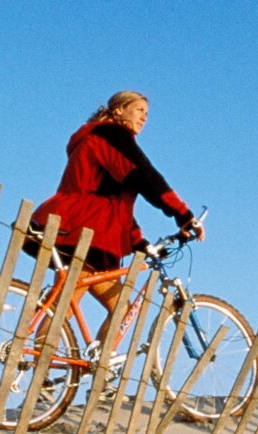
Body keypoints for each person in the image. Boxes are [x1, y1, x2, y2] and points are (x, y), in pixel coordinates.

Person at [29, 90, 205, 338]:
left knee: (116, 307)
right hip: (85, 228)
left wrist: (138, 242)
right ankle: (39, 364)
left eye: (147, 113)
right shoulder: (112, 135)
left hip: (82, 222)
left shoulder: (101, 138)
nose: (144, 117)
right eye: (139, 109)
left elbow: (114, 203)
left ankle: (95, 370)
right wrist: (183, 214)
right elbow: (145, 175)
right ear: (119, 110)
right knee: (68, 302)